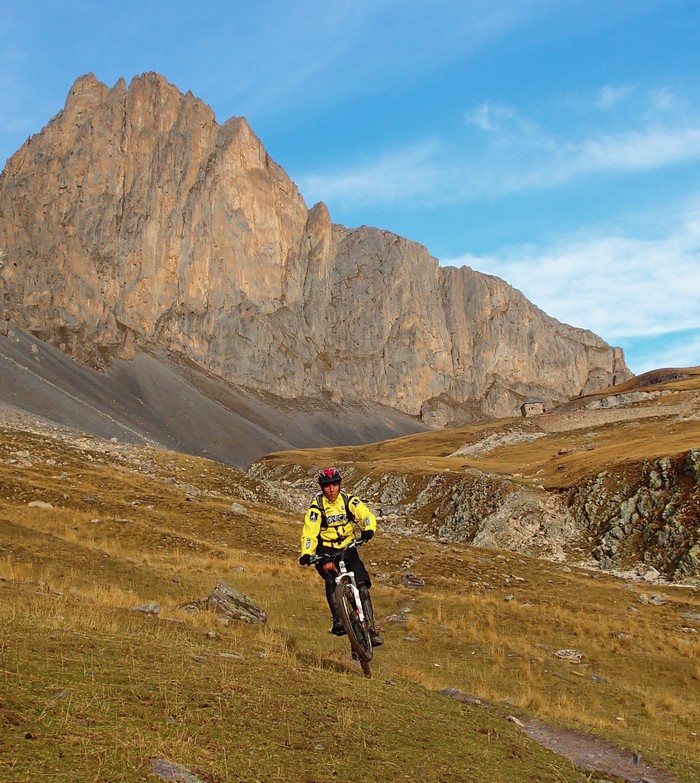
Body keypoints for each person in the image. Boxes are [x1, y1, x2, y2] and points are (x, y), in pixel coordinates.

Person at [298, 467, 384, 646]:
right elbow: (309, 533)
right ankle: (338, 620)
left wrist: (369, 529)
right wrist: (307, 553)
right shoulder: (317, 508)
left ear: (339, 485)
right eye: (327, 486)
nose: (331, 490)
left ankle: (371, 629)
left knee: (362, 587)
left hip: (348, 548)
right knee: (331, 580)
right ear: (322, 488)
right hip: (326, 552)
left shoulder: (348, 500)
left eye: (335, 485)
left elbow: (366, 515)